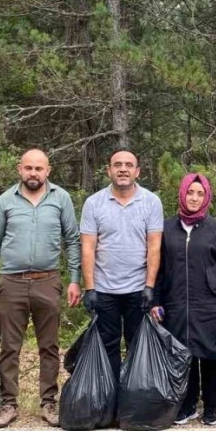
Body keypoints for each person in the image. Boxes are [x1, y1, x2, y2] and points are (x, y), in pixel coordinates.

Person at [0, 149, 82, 428]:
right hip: (12, 282)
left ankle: (49, 402)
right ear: (20, 169)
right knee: (10, 347)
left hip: (48, 281)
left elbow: (72, 241)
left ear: (49, 171)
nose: (33, 173)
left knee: (49, 346)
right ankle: (8, 404)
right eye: (29, 168)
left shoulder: (61, 199)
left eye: (39, 168)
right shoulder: (6, 200)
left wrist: (74, 279)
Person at [153, 173, 216, 427]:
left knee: (210, 354)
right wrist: (155, 300)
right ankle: (187, 405)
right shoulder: (167, 228)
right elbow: (157, 267)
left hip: (211, 302)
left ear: (206, 197)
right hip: (176, 302)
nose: (194, 198)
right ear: (182, 194)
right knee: (183, 354)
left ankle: (211, 407)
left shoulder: (215, 229)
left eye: (200, 194)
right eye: (190, 192)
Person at [78, 150, 164, 378]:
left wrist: (149, 287)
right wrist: (90, 288)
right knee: (108, 346)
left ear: (137, 171)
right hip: (104, 290)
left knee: (137, 347)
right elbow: (87, 247)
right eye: (117, 164)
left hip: (138, 289)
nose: (123, 169)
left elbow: (154, 247)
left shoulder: (151, 202)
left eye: (128, 165)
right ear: (109, 170)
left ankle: (133, 402)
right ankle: (111, 400)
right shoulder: (93, 203)